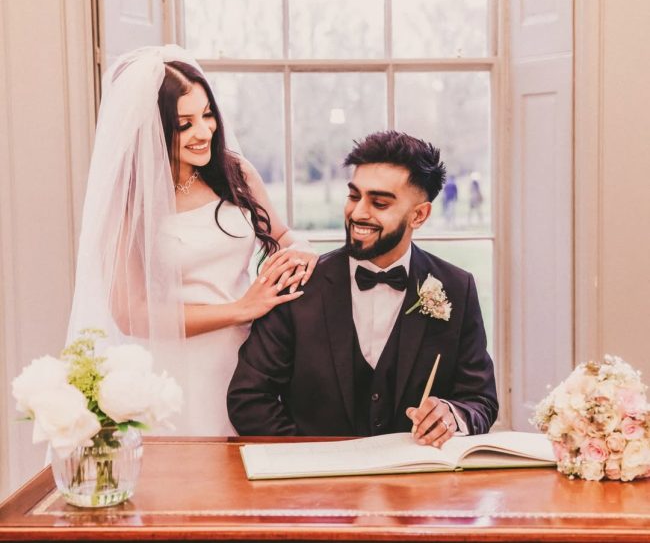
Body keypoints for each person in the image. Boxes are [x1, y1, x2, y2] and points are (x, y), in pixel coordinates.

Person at [67, 45, 317, 436]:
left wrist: (301, 248)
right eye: (185, 124)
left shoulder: (236, 172)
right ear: (153, 126)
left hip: (248, 359)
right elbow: (129, 312)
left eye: (207, 115)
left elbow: (282, 235)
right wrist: (238, 309)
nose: (204, 132)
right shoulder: (131, 200)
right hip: (176, 368)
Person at [227, 131, 498, 447]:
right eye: (354, 196)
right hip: (316, 489)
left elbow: (480, 400)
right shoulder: (297, 284)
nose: (357, 213)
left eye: (379, 202)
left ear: (419, 215)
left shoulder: (456, 288)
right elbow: (249, 397)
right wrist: (308, 463)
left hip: (418, 489)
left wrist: (452, 414)